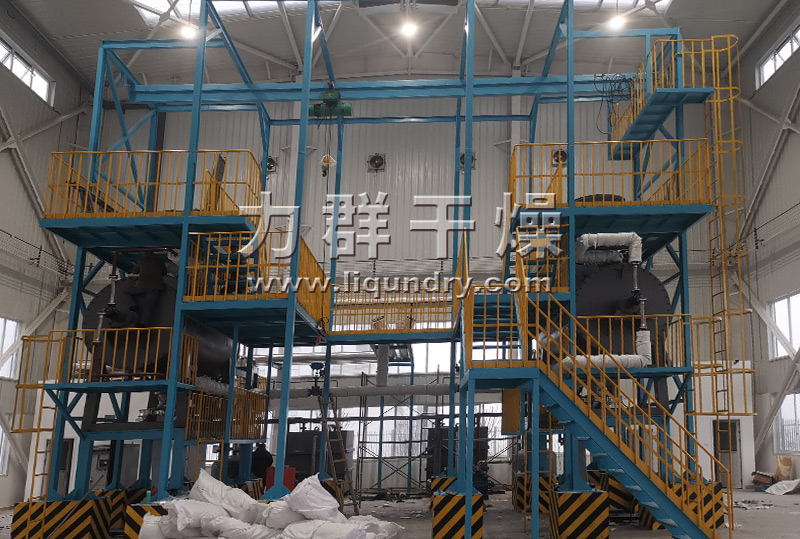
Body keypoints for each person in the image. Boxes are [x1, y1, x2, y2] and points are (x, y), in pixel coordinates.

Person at [128, 252, 167, 326]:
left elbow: (134, 271)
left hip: (142, 286)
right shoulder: (160, 261)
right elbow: (165, 272)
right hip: (155, 287)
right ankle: (142, 324)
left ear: (144, 255)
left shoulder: (142, 260)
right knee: (148, 306)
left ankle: (133, 305)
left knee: (127, 292)